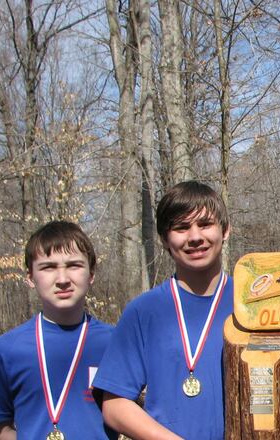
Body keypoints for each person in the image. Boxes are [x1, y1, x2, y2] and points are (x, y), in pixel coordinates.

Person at [93, 181, 233, 439]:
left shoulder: (250, 304)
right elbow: (114, 405)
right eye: (181, 227)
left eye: (205, 224)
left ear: (225, 230)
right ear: (164, 239)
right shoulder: (144, 311)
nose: (194, 237)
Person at [0, 221, 115, 439]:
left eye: (74, 265)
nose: (62, 280)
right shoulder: (6, 349)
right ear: (30, 277)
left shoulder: (115, 343)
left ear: (91, 274)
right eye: (48, 267)